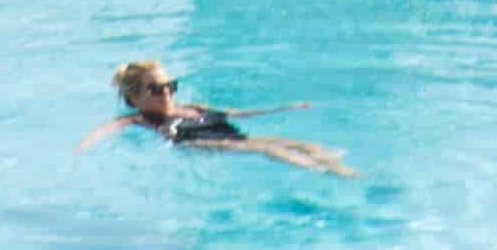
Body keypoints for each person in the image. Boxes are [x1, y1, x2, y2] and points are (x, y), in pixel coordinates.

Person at [85, 57, 349, 173]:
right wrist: (82, 149)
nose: (166, 93)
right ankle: (328, 174)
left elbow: (238, 114)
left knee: (296, 143)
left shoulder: (192, 107)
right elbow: (105, 130)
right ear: (134, 99)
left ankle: (341, 168)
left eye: (170, 86)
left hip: (229, 134)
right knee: (268, 149)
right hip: (195, 142)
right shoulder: (137, 119)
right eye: (155, 89)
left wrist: (285, 108)